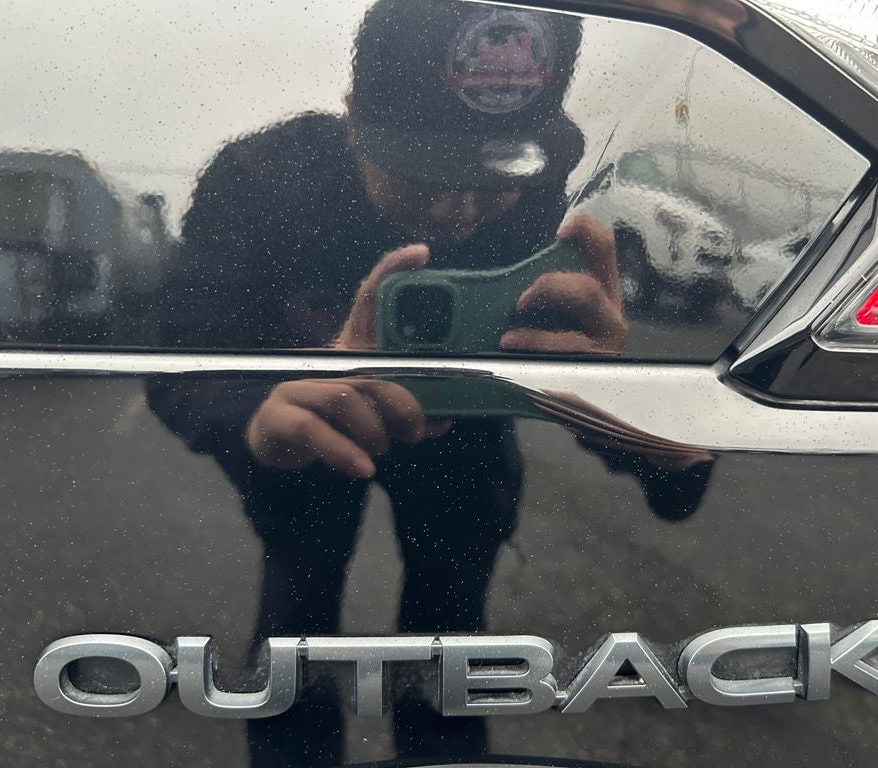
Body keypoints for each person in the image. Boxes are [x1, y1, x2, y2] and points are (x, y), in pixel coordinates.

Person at [147, 1, 712, 764]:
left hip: (463, 446)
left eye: (494, 175)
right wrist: (253, 414)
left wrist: (638, 419)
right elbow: (184, 346)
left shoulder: (548, 195)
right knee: (296, 628)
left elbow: (671, 479)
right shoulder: (260, 180)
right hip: (311, 438)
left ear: (540, 143)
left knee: (448, 647)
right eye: (420, 173)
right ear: (352, 118)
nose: (456, 209)